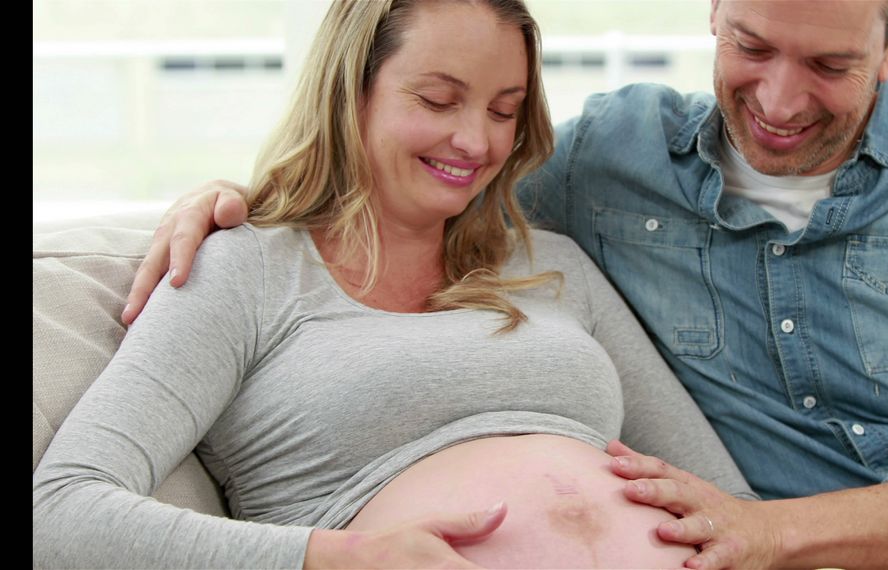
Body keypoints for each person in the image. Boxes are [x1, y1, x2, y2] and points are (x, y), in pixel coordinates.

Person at [130, 0, 888, 567]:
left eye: (829, 65)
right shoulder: (613, 158)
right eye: (752, 46)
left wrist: (775, 537)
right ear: (713, 14)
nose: (777, 99)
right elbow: (425, 183)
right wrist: (250, 198)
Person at [32, 1, 759, 568]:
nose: (477, 142)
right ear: (353, 91)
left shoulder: (555, 265)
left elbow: (731, 509)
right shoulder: (244, 268)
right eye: (440, 101)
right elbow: (59, 511)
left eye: (503, 110)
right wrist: (332, 558)